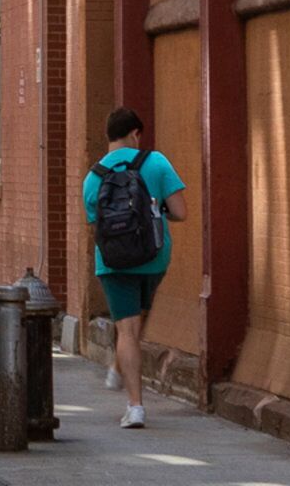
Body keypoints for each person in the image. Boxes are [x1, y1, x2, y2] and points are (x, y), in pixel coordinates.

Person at [82, 106, 190, 428]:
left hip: (113, 263)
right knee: (136, 322)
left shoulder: (93, 176)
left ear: (109, 137)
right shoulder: (156, 162)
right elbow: (181, 212)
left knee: (126, 329)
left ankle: (135, 407)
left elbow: (94, 222)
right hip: (153, 258)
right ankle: (120, 367)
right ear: (135, 134)